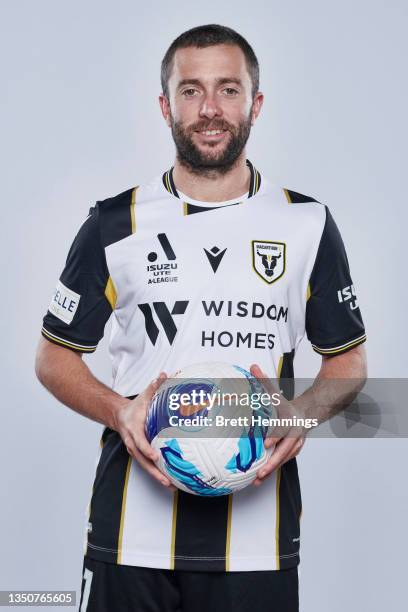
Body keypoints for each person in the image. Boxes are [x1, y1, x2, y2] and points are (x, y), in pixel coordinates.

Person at [35, 23, 367, 612]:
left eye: (228, 89)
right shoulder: (115, 225)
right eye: (190, 91)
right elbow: (53, 357)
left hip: (257, 548)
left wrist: (303, 414)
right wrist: (121, 409)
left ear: (255, 103)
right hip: (129, 541)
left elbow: (349, 365)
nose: (210, 109)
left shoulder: (307, 224)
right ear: (165, 105)